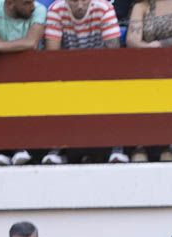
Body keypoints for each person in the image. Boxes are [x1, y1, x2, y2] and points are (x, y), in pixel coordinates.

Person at [42, 0, 126, 165]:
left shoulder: (105, 8)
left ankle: (118, 148)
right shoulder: (55, 10)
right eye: (74, 0)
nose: (80, 5)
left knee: (116, 87)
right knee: (55, 88)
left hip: (103, 72)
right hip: (66, 73)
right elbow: (52, 57)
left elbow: (113, 55)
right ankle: (57, 148)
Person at [0, 0, 46, 166]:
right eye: (26, 3)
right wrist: (0, 47)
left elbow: (31, 43)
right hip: (0, 73)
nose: (32, 6)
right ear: (9, 5)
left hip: (34, 73)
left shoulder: (39, 9)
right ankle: (11, 147)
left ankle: (12, 147)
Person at [127, 0, 172, 162]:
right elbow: (132, 39)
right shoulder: (141, 6)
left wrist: (159, 45)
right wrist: (150, 50)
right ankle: (141, 142)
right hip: (146, 68)